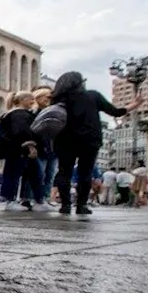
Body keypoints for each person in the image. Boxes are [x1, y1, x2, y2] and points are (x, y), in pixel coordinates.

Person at [51, 71, 142, 215]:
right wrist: (135, 104)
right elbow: (116, 112)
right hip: (89, 140)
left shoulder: (57, 99)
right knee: (85, 173)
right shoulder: (93, 96)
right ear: (80, 83)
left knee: (64, 172)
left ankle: (65, 205)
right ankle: (81, 205)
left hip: (64, 140)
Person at [0, 91, 42, 211]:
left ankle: (34, 200)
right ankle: (13, 201)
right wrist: (31, 147)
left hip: (14, 150)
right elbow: (22, 132)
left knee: (27, 174)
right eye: (30, 99)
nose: (33, 102)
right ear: (22, 100)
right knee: (22, 174)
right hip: (20, 150)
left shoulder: (9, 114)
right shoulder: (20, 114)